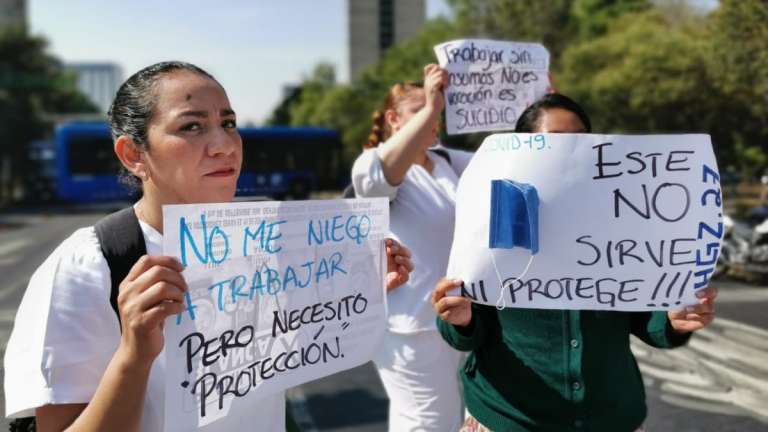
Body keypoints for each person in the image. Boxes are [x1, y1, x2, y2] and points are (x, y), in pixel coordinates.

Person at [4, 61, 414, 432]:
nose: (225, 145)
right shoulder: (88, 266)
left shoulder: (265, 238)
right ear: (133, 154)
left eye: (229, 123)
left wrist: (356, 283)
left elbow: (289, 346)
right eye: (192, 126)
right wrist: (134, 355)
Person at [431, 93, 718, 432]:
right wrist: (460, 319)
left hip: (611, 417)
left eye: (581, 139)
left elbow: (647, 317)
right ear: (524, 149)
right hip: (511, 418)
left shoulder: (626, 216)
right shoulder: (494, 216)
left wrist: (673, 318)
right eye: (555, 141)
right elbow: (465, 328)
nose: (570, 151)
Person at [350, 64, 473, 432]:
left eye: (438, 107)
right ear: (393, 118)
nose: (434, 113)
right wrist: (433, 106)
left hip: (462, 321)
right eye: (420, 108)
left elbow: (512, 158)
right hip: (410, 328)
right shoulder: (374, 163)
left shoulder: (449, 162)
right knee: (427, 424)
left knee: (465, 422)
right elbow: (378, 179)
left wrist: (541, 99)